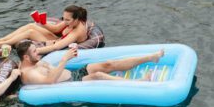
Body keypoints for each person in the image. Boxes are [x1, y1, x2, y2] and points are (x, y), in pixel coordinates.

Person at [17, 40, 164, 85]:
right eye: (35, 52)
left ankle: (151, 57)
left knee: (108, 64)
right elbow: (49, 81)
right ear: (26, 58)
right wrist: (65, 59)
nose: (39, 52)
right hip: (70, 83)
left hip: (74, 73)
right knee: (99, 75)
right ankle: (140, 82)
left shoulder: (32, 62)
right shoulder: (29, 73)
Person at [0, 5, 90, 52]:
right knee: (31, 26)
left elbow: (56, 47)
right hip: (56, 39)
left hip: (55, 44)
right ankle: (0, 40)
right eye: (64, 18)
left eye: (67, 20)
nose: (65, 21)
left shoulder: (76, 32)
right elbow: (55, 29)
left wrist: (35, 51)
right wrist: (42, 22)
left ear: (77, 19)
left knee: (31, 32)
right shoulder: (71, 22)